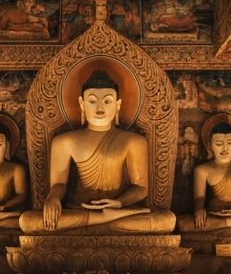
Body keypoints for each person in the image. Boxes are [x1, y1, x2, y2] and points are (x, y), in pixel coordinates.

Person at [19, 70, 175, 233]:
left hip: (118, 211)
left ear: (117, 105)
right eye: (92, 101)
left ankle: (103, 219)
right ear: (82, 104)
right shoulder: (64, 141)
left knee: (167, 220)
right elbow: (59, 183)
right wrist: (52, 198)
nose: (100, 108)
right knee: (27, 221)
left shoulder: (134, 141)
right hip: (80, 210)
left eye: (107, 101)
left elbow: (141, 187)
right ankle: (105, 219)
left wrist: (119, 203)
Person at [178, 120, 231, 234]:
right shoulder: (202, 170)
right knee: (182, 224)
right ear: (210, 145)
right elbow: (199, 198)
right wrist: (199, 209)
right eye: (219, 144)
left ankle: (226, 227)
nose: (225, 148)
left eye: (229, 143)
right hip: (213, 216)